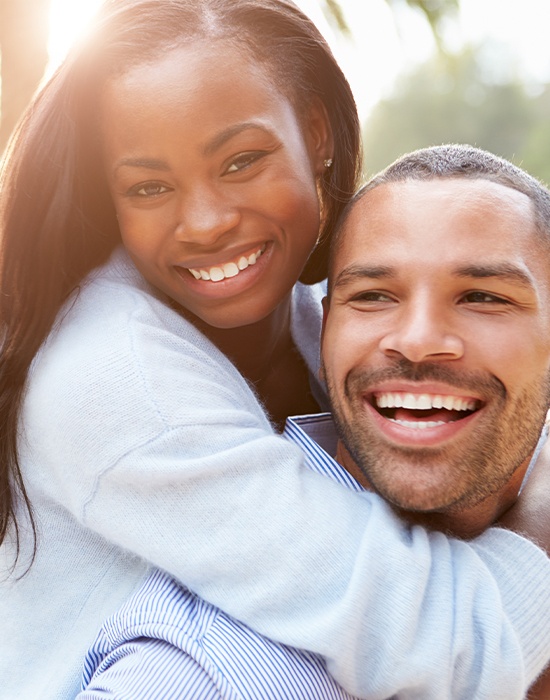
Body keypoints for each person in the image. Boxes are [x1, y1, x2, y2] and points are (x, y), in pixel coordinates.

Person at [0, 0, 548, 693]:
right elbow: (440, 640)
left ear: (316, 131)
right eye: (149, 186)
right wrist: (540, 511)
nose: (204, 222)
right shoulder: (115, 377)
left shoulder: (308, 313)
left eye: (241, 161)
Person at [76, 144, 550, 699]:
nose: (418, 339)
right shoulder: (203, 670)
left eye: (482, 297)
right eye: (373, 296)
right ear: (325, 332)